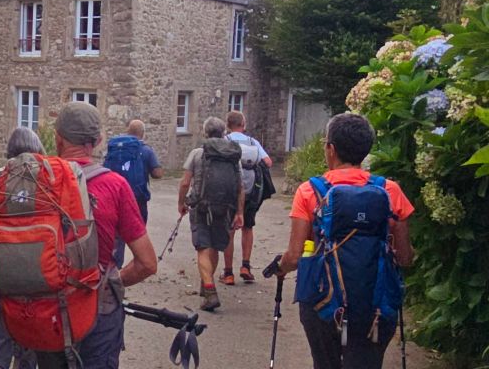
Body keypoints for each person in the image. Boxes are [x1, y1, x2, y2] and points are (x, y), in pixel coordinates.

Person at [275, 113, 416, 369]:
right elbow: (405, 258)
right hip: (375, 303)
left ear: (331, 148)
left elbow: (294, 257)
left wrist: (280, 268)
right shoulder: (390, 190)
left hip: (323, 302)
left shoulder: (309, 191)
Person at [31, 102, 159, 368]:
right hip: (98, 313)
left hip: (45, 311)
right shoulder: (115, 186)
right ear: (98, 141)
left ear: (57, 138)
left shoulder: (36, 182)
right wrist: (110, 284)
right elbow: (147, 263)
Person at [0, 127, 47, 369]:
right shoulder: (46, 178)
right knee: (29, 324)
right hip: (36, 265)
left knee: (4, 319)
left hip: (4, 264)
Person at [177, 117, 244, 312]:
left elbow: (184, 182)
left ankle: (209, 289)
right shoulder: (232, 156)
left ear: (205, 133)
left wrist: (181, 203)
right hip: (225, 208)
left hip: (201, 207)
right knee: (214, 246)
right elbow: (240, 187)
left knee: (203, 247)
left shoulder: (198, 153)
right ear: (224, 132)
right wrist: (239, 212)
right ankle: (208, 284)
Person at [219, 111, 274, 286]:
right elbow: (268, 162)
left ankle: (228, 273)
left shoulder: (225, 141)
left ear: (228, 125)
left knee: (230, 230)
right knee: (248, 227)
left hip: (231, 191)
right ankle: (246, 267)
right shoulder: (253, 142)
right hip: (252, 191)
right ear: (243, 124)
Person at [103, 120, 166, 222]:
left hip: (116, 196)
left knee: (118, 229)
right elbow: (157, 174)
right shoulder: (146, 150)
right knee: (138, 229)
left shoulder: (117, 149)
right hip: (137, 198)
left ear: (128, 131)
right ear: (143, 133)